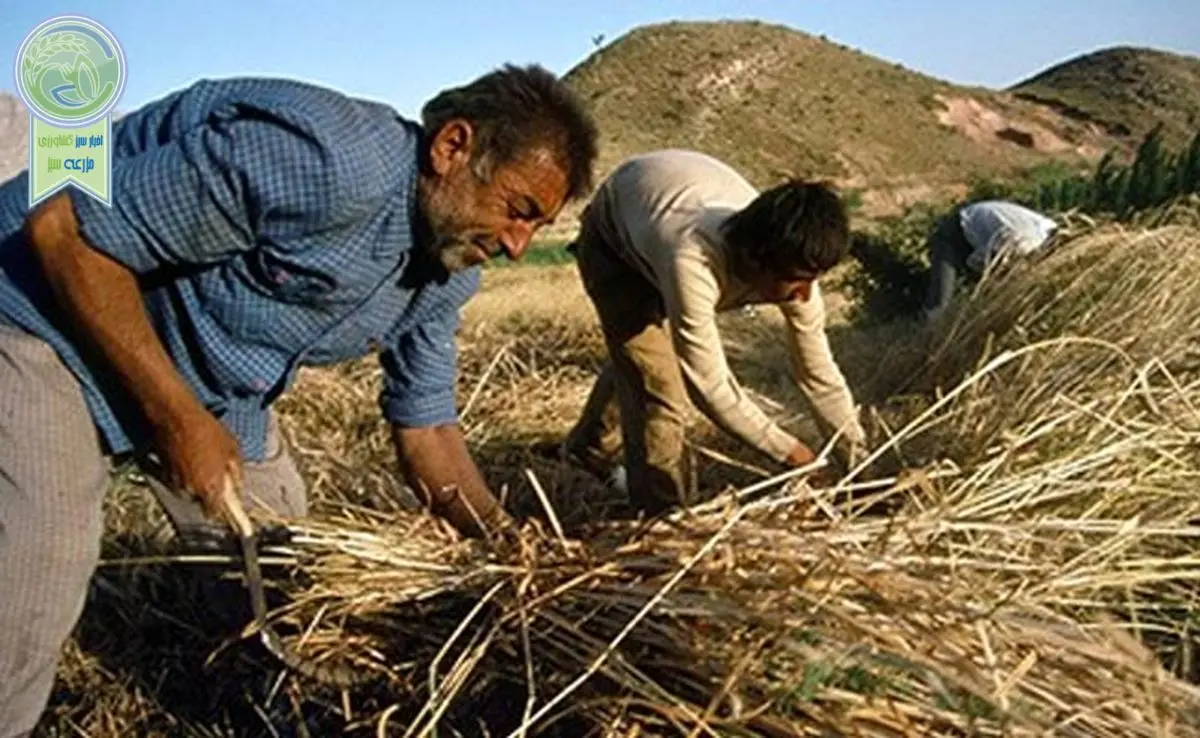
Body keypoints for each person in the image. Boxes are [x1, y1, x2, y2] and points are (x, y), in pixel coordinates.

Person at [0, 65, 597, 736]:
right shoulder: (326, 162)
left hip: (207, 371)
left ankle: (263, 709)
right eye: (518, 211)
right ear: (452, 147)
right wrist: (178, 418)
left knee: (287, 576)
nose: (518, 247)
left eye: (537, 226)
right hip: (44, 314)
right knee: (36, 575)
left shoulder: (447, 275)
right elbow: (63, 231)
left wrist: (516, 552)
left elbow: (427, 432)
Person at [547, 149, 867, 515]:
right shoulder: (693, 259)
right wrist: (792, 454)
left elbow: (819, 375)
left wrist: (858, 461)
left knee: (644, 356)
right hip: (614, 243)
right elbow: (710, 388)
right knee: (658, 383)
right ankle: (660, 518)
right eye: (797, 282)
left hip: (662, 213)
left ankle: (585, 448)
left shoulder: (794, 257)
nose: (805, 295)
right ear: (757, 261)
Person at [922, 199, 1058, 320]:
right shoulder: (1024, 241)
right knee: (941, 300)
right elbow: (975, 262)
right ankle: (925, 338)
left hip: (982, 227)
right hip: (955, 232)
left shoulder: (1048, 226)